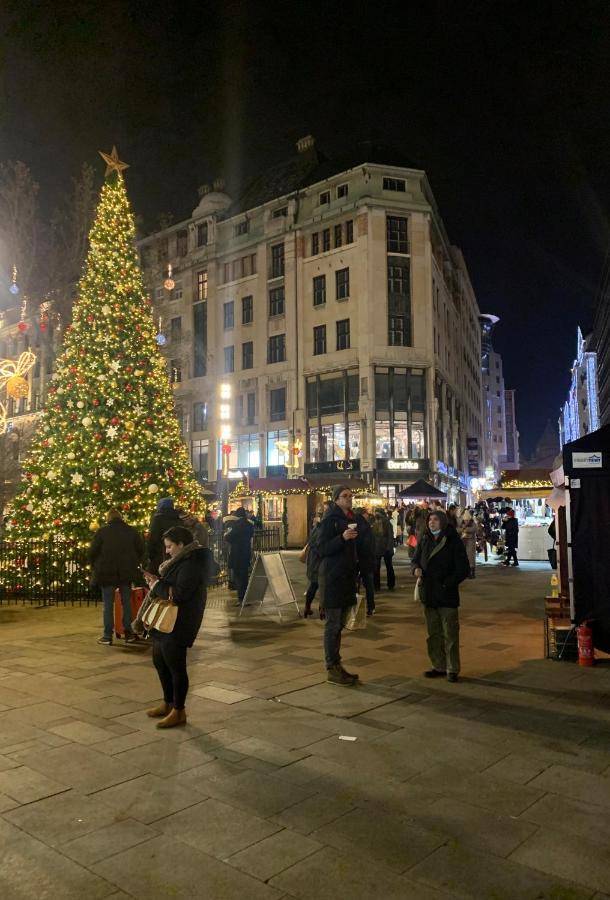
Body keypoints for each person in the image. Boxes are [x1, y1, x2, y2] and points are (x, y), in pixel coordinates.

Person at [142, 525, 209, 728]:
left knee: (176, 666)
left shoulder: (192, 563)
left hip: (180, 621)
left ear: (181, 544)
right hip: (166, 621)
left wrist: (156, 585)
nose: (167, 551)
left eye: (170, 546)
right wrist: (157, 582)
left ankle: (179, 711)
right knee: (160, 660)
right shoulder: (179, 561)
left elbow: (179, 594)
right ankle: (168, 702)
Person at [412, 510, 470, 683]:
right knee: (433, 633)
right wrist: (415, 568)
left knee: (450, 633)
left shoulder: (452, 540)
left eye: (436, 520)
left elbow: (463, 569)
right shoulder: (424, 539)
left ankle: (452, 668)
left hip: (446, 594)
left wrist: (446, 584)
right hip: (428, 593)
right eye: (430, 520)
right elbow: (415, 559)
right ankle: (438, 665)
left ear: (443, 522)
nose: (432, 523)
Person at [317, 485, 359, 685]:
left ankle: (337, 665)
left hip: (345, 578)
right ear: (336, 500)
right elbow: (321, 548)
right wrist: (341, 538)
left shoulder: (349, 519)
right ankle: (331, 667)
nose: (349, 498)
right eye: (345, 496)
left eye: (350, 495)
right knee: (332, 625)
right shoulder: (329, 520)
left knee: (339, 625)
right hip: (333, 578)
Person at [90, 509, 144, 646]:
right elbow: (141, 549)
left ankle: (107, 636)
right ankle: (129, 633)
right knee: (126, 603)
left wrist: (96, 564)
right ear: (121, 518)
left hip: (107, 572)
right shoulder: (131, 531)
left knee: (108, 605)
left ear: (108, 518)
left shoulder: (102, 532)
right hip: (126, 573)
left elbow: (92, 551)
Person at [224, 507, 255, 604]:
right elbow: (250, 536)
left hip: (237, 553)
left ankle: (241, 598)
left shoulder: (236, 525)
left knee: (238, 576)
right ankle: (246, 597)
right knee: (245, 576)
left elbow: (229, 537)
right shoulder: (249, 525)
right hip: (246, 552)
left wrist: (226, 535)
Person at [146, 497, 182, 575]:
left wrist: (150, 556)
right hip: (176, 557)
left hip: (159, 557)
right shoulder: (178, 519)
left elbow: (152, 539)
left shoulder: (158, 519)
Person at [354, 506, 376, 615]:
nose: (368, 515)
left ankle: (356, 607)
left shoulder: (353, 525)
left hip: (356, 560)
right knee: (369, 585)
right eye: (366, 513)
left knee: (355, 585)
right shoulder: (366, 526)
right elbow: (368, 544)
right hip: (366, 560)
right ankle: (371, 607)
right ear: (363, 514)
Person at [372, 508, 396, 590]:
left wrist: (389, 548)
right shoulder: (375, 522)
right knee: (379, 567)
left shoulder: (386, 523)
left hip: (384, 548)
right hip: (378, 547)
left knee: (387, 567)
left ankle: (382, 585)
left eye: (377, 513)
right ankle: (380, 585)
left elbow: (390, 536)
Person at [304, 514, 323, 617]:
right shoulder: (322, 530)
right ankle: (322, 610)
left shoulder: (315, 529)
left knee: (313, 586)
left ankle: (307, 607)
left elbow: (311, 543)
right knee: (322, 587)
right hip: (319, 562)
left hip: (313, 562)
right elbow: (320, 546)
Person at [460, 510, 477, 578]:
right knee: (465, 557)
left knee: (471, 557)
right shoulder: (462, 523)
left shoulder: (473, 523)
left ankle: (472, 572)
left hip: (471, 542)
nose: (466, 521)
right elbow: (459, 529)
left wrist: (465, 529)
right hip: (464, 542)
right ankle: (467, 572)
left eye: (467, 520)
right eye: (465, 520)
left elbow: (474, 529)